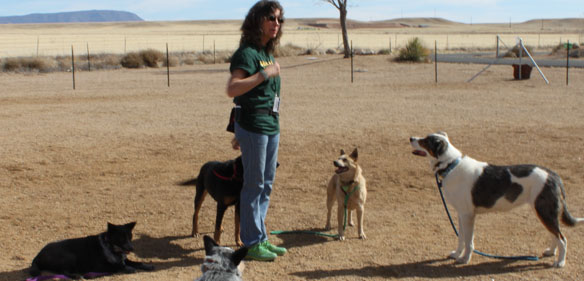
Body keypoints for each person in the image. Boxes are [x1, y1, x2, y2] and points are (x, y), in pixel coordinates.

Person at [226, 0, 287, 261]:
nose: (276, 24)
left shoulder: (266, 53)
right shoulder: (247, 53)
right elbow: (233, 89)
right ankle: (251, 243)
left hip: (270, 125)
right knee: (254, 184)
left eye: (279, 20)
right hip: (254, 126)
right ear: (257, 20)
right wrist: (264, 74)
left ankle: (260, 237)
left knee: (267, 184)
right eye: (271, 18)